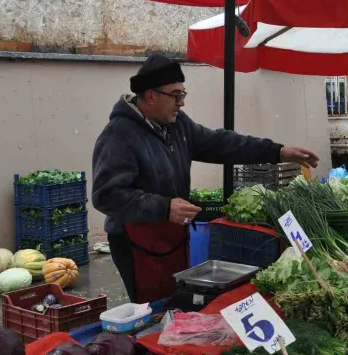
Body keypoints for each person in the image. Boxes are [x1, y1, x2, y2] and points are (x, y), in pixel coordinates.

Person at [92, 54, 319, 304]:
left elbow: (221, 143)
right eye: (175, 96)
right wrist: (164, 207)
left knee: (174, 302)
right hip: (136, 243)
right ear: (151, 95)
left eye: (183, 95)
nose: (181, 104)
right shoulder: (119, 135)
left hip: (171, 236)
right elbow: (106, 195)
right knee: (152, 309)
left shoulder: (177, 125)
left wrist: (277, 151)